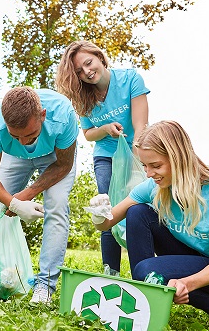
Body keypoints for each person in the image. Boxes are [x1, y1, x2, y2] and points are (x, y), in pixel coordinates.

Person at [88, 120, 209, 325]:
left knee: (149, 272)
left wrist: (185, 284)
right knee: (137, 212)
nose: (149, 174)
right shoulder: (154, 187)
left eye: (156, 166)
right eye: (145, 166)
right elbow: (106, 224)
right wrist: (99, 213)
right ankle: (148, 300)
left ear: (179, 158)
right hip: (197, 259)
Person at [56, 40, 150, 277]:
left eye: (88, 63)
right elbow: (88, 134)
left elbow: (141, 127)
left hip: (136, 151)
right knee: (106, 207)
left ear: (99, 57)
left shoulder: (131, 80)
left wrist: (136, 167)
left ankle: (146, 270)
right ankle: (112, 272)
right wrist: (106, 128)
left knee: (139, 207)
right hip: (106, 156)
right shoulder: (84, 98)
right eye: (79, 71)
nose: (87, 72)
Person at [0, 86, 78, 304]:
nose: (24, 142)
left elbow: (64, 165)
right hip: (14, 158)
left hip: (54, 157)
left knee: (57, 205)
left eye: (30, 134)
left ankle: (45, 285)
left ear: (42, 116)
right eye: (16, 136)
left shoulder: (62, 115)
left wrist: (25, 195)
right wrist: (12, 203)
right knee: (0, 207)